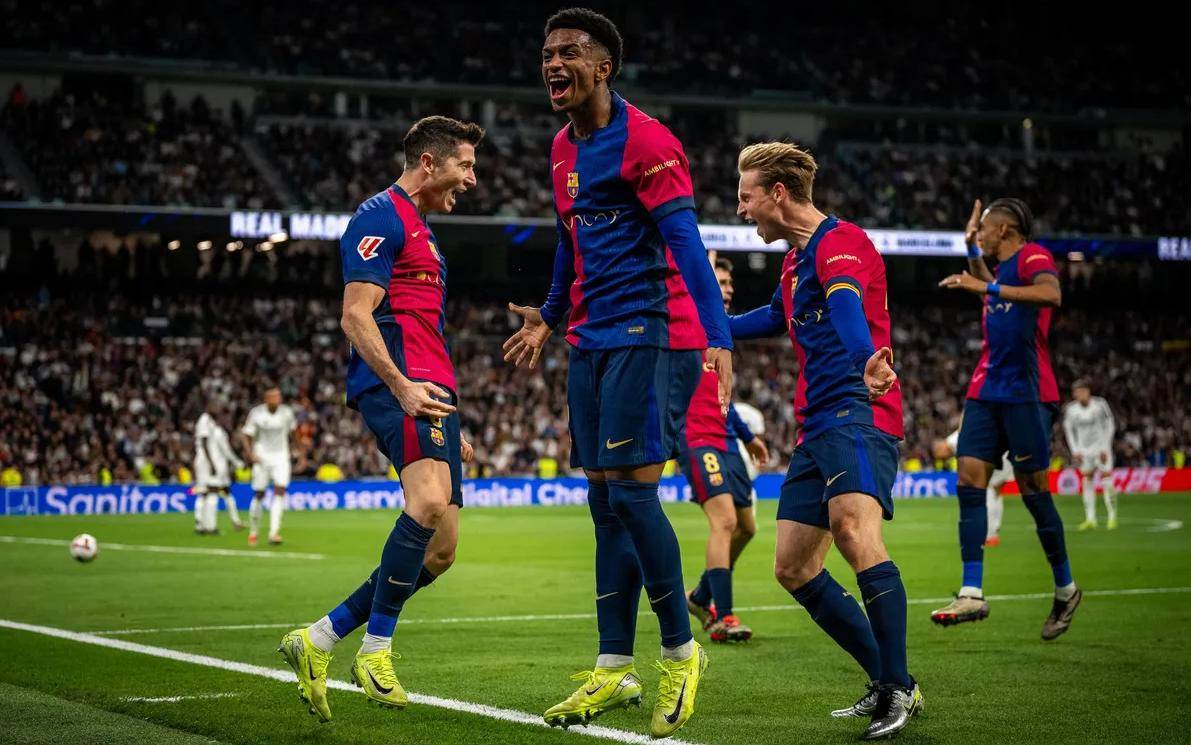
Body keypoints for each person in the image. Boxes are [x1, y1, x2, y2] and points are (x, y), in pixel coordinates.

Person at [501, 8, 731, 738]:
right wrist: (548, 314)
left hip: (646, 331)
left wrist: (719, 337)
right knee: (603, 502)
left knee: (632, 495)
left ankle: (680, 653)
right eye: (546, 53)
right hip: (590, 337)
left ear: (603, 67)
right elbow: (568, 241)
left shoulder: (649, 142)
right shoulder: (561, 148)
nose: (552, 64)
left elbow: (687, 244)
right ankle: (613, 665)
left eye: (568, 52)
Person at [278, 115, 482, 722]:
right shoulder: (380, 216)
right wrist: (401, 387)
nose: (471, 179)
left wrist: (447, 416)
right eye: (465, 165)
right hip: (402, 383)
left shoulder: (424, 231)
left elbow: (422, 323)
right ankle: (375, 649)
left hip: (432, 388)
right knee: (427, 502)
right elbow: (355, 315)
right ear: (429, 162)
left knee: (441, 551)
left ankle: (318, 639)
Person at [731, 141, 920, 739]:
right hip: (816, 423)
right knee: (792, 566)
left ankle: (897, 686)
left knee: (855, 533)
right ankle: (889, 679)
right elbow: (772, 318)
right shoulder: (793, 262)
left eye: (746, 197)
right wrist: (699, 329)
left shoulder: (842, 242)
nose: (741, 210)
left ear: (777, 193)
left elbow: (845, 303)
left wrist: (865, 360)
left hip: (859, 409)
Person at [934, 198, 1082, 640]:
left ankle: (1066, 588)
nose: (978, 233)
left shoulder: (1033, 256)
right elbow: (990, 289)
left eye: (982, 228)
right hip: (986, 388)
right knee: (969, 477)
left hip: (1027, 391)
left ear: (1003, 229)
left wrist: (988, 287)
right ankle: (971, 592)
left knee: (1034, 489)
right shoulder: (999, 271)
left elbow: (1051, 294)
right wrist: (971, 251)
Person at [683, 256, 768, 643]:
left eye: (731, 283)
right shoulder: (688, 320)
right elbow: (689, 278)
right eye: (721, 281)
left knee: (747, 528)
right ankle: (724, 617)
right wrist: (703, 262)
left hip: (725, 439)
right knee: (725, 522)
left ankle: (701, 595)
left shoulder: (720, 334)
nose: (729, 289)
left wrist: (746, 435)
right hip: (696, 437)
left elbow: (722, 396)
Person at [240, 387, 297, 545]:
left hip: (281, 457)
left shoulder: (286, 413)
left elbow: (294, 433)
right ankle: (253, 531)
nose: (276, 399)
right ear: (266, 399)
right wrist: (250, 454)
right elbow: (246, 435)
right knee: (259, 494)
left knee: (280, 491)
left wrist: (299, 452)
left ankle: (274, 532)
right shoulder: (256, 413)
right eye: (273, 397)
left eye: (278, 396)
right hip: (262, 457)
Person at [936, 429, 1010, 546]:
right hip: (1004, 452)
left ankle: (988, 534)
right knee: (996, 492)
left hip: (994, 456)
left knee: (988, 490)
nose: (940, 456)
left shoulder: (955, 439)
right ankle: (994, 531)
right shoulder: (956, 440)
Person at [1063, 379, 1117, 530]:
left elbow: (1110, 425)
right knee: (1087, 480)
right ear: (1074, 394)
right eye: (1077, 392)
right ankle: (1090, 518)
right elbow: (1069, 431)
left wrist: (1106, 447)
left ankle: (1112, 517)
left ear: (1089, 391)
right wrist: (1075, 451)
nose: (1081, 394)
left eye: (1083, 391)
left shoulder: (1100, 404)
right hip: (1084, 451)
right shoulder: (1071, 410)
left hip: (1101, 448)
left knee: (1106, 479)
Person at [193, 403, 245, 534]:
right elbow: (207, 443)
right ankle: (210, 526)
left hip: (207, 461)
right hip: (210, 463)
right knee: (213, 492)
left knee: (204, 492)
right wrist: (212, 463)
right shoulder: (207, 421)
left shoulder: (211, 425)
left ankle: (200, 524)